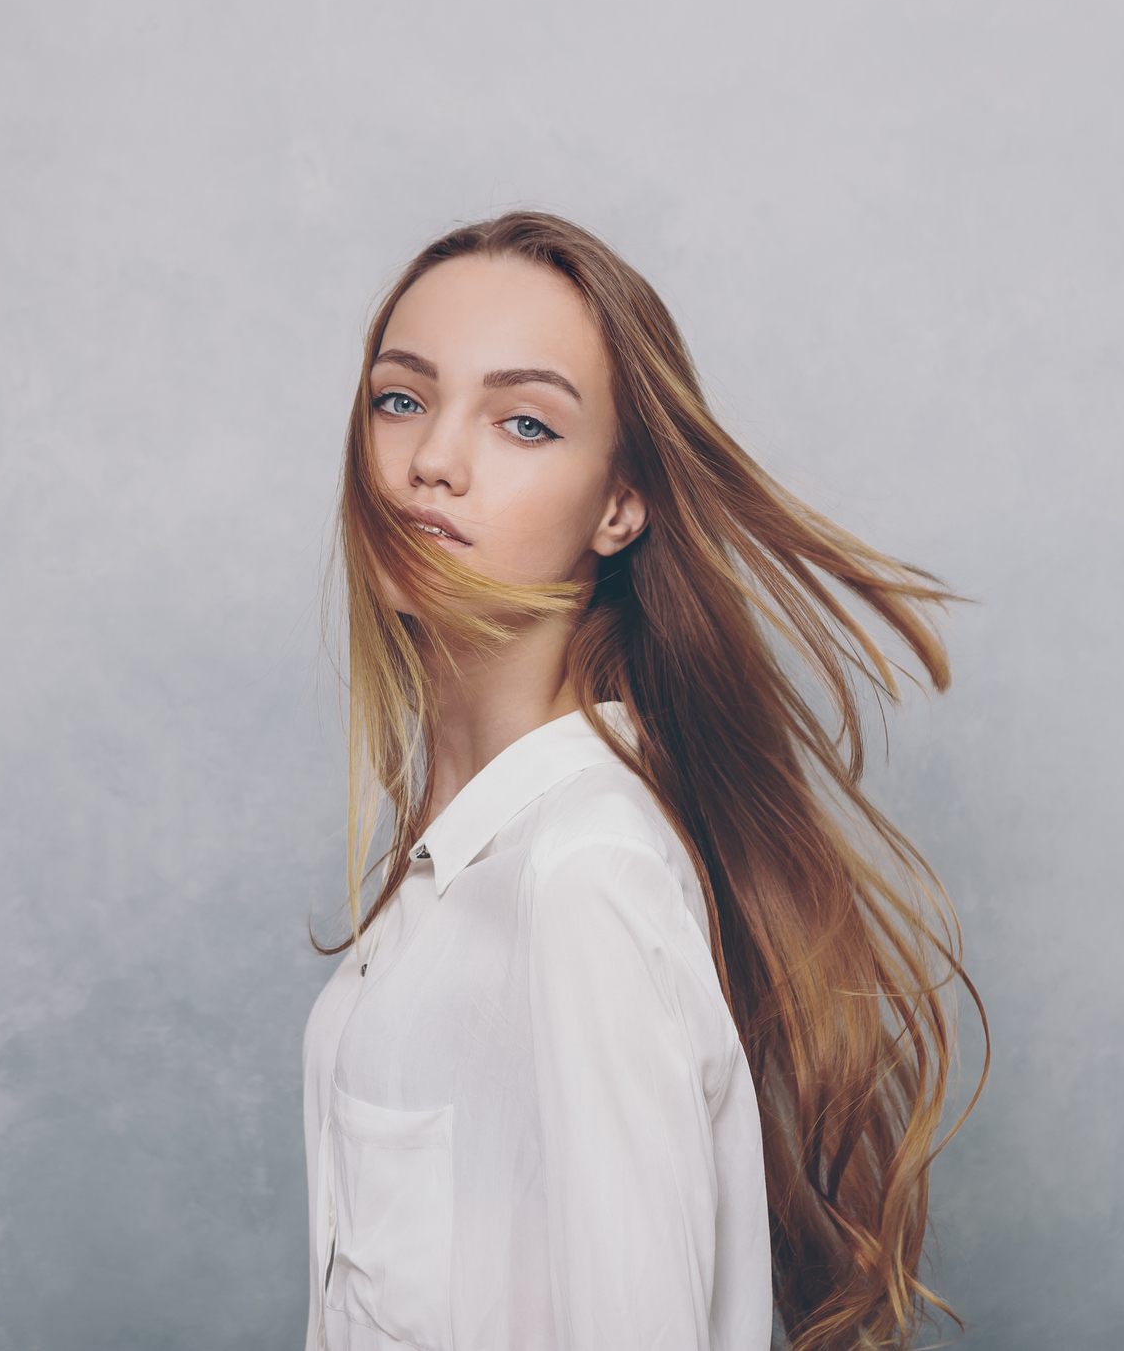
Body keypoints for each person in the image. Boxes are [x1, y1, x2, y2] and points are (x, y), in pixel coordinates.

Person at [301, 212, 983, 1351]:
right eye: (401, 398)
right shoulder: (474, 867)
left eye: (525, 421)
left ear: (620, 506)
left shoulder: (579, 876)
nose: (433, 460)